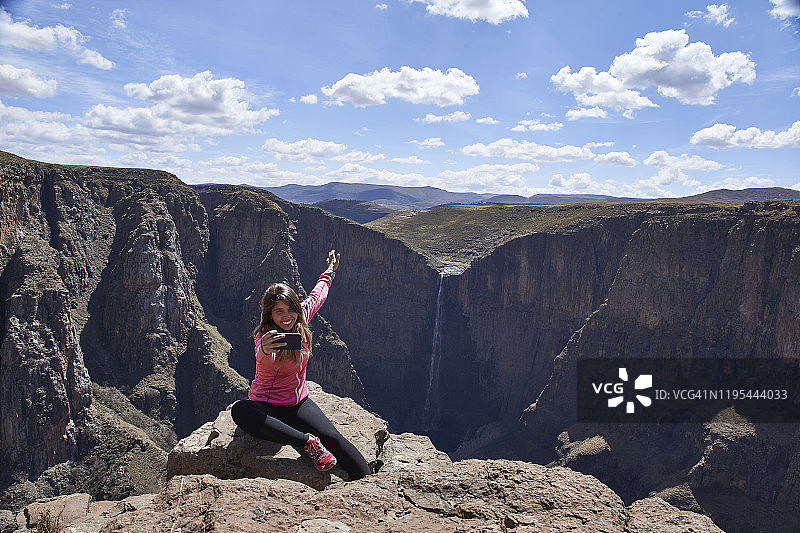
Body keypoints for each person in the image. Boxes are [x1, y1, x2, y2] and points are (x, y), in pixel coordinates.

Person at [231, 250, 372, 480]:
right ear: (270, 314)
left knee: (334, 439)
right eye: (279, 311)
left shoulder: (301, 319)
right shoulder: (264, 337)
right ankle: (306, 441)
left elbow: (318, 295)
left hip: (297, 403)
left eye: (291, 310)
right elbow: (261, 357)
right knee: (240, 410)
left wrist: (330, 271)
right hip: (266, 405)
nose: (287, 316)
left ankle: (368, 481)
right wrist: (265, 349)